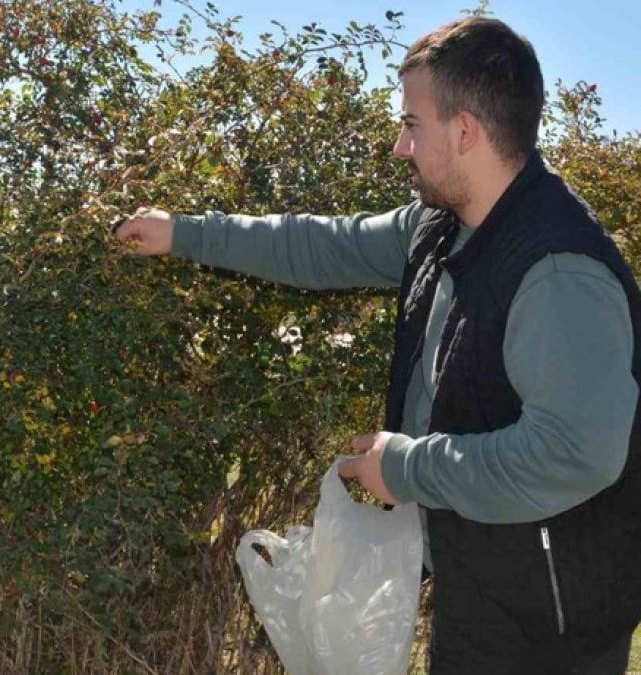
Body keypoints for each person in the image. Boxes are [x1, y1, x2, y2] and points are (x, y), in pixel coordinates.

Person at [115, 17, 641, 674]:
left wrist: (407, 467)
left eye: (411, 124)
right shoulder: (439, 226)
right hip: (484, 584)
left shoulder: (559, 274)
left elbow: (573, 454)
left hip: (552, 622)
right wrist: (185, 233)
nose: (399, 145)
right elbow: (320, 244)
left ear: (466, 131)